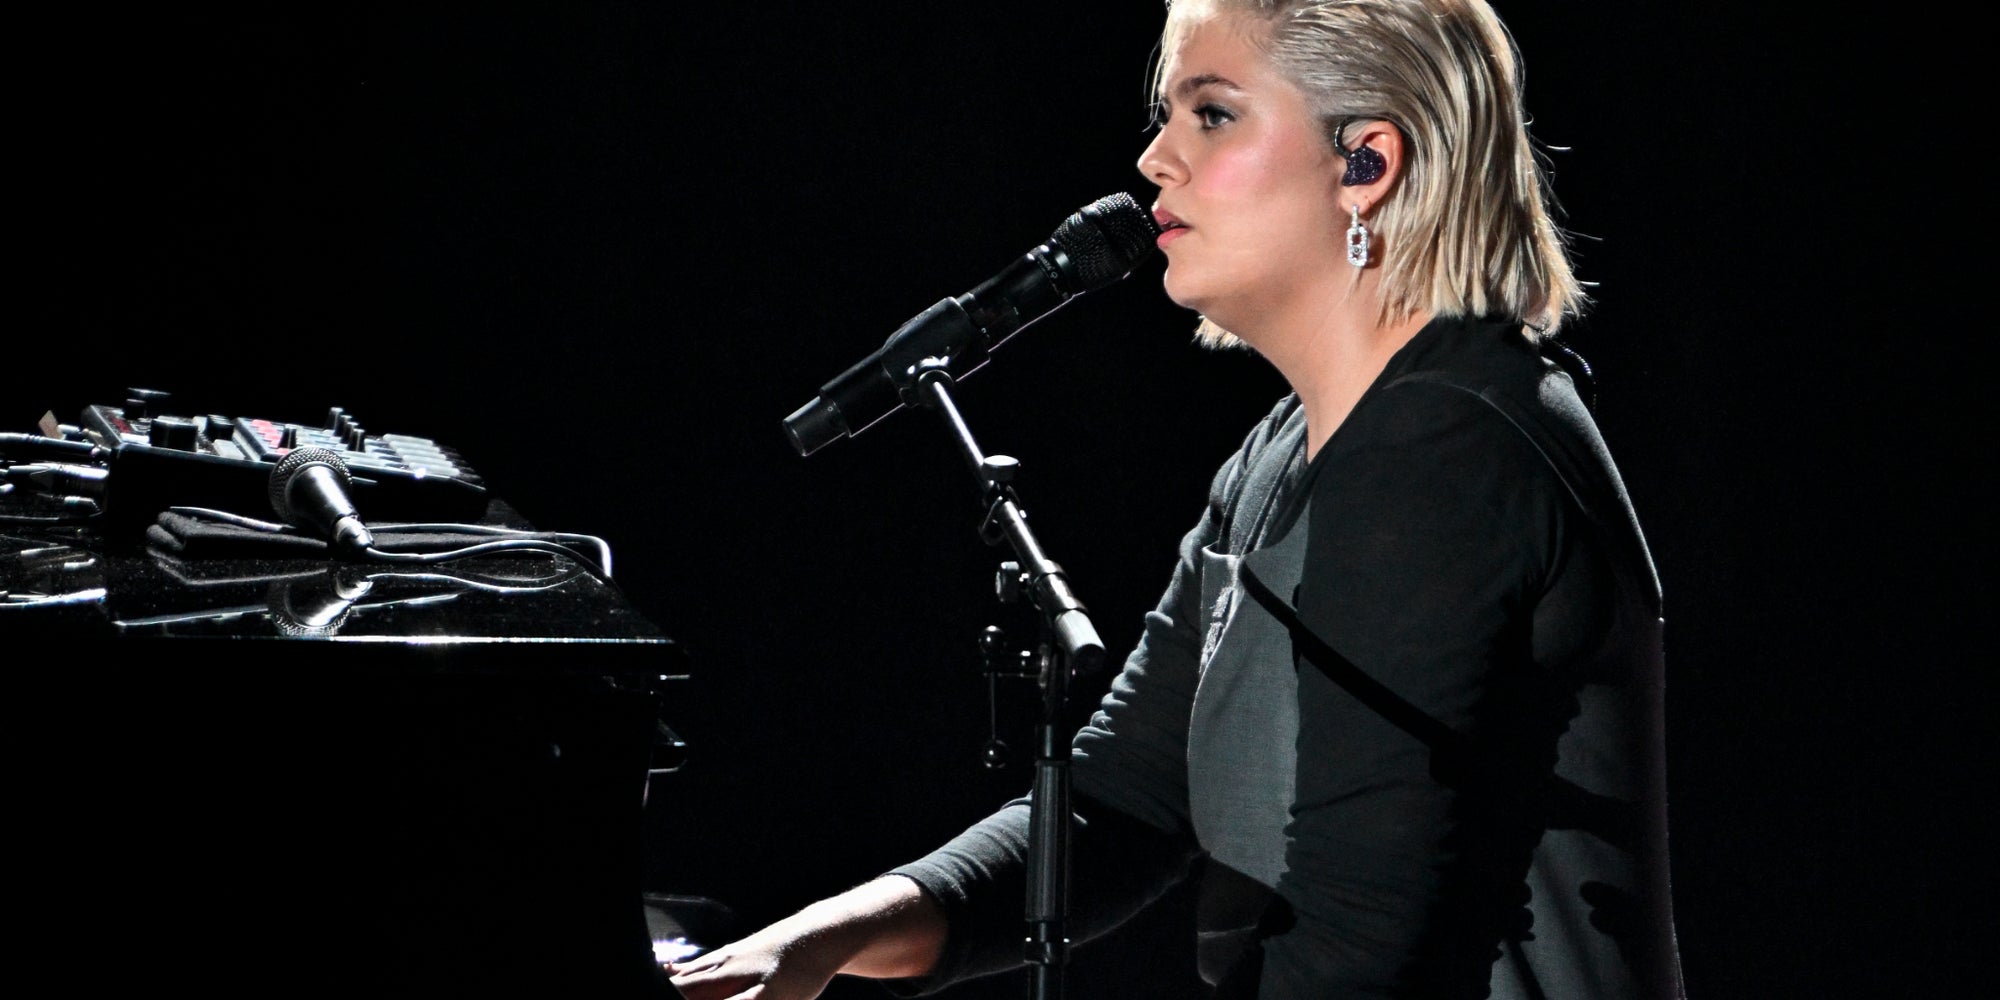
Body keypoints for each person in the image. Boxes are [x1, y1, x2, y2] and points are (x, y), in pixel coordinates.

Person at [669, 0, 1685, 996]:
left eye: (1212, 114)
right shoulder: (1284, 451)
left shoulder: (1445, 446)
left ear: (1366, 164)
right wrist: (811, 940)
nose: (1156, 159)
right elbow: (1125, 798)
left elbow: (1356, 947)